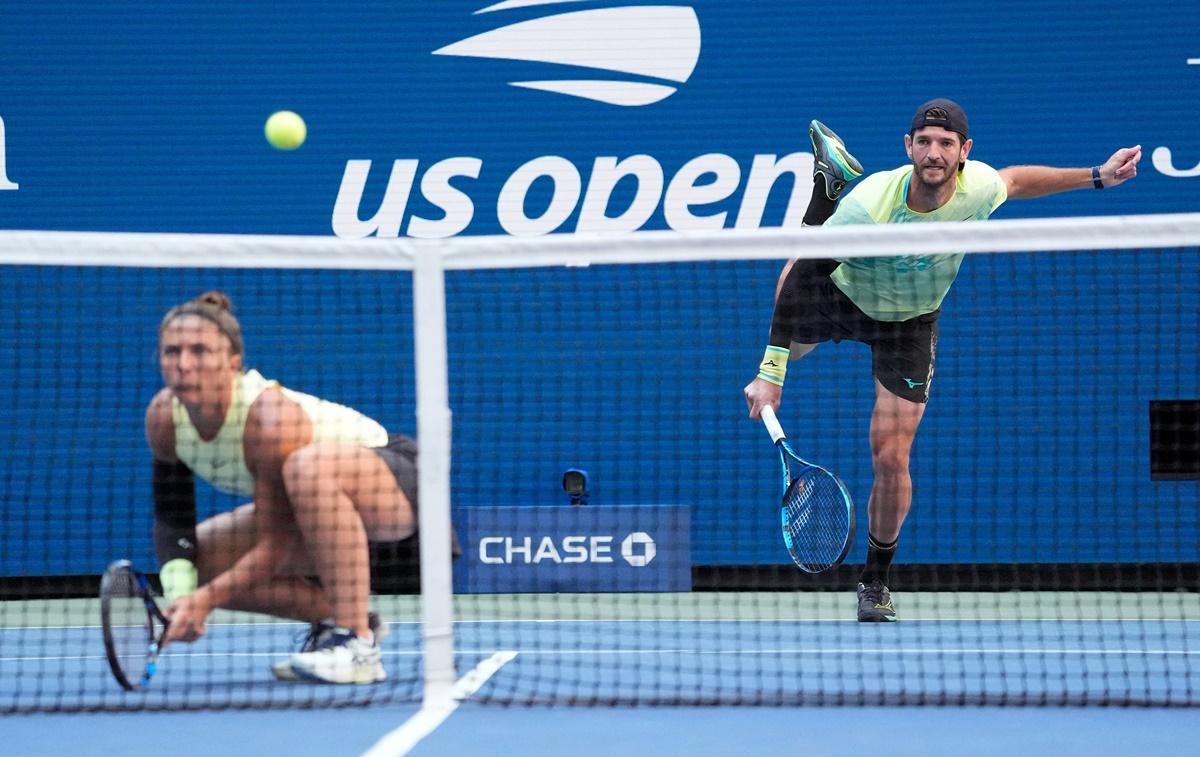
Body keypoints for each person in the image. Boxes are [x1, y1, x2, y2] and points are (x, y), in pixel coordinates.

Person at [744, 99, 1141, 622]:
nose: (934, 153)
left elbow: (1017, 181)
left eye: (946, 144)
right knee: (795, 273)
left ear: (964, 152)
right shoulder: (873, 208)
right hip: (844, 296)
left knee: (891, 457)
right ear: (908, 147)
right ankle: (827, 200)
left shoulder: (976, 188)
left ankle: (876, 580)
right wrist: (770, 375)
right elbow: (802, 284)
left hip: (909, 322)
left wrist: (1097, 176)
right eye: (924, 142)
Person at [145, 290, 418, 683]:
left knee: (307, 466)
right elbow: (173, 520)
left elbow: (278, 545)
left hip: (392, 488)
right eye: (172, 352)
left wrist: (206, 602)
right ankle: (343, 617)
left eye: (200, 351)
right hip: (319, 523)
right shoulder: (163, 418)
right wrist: (182, 596)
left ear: (233, 363)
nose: (184, 365)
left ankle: (357, 644)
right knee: (201, 559)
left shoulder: (269, 418)